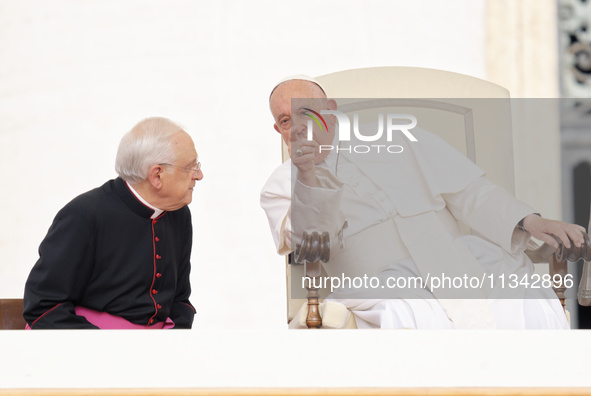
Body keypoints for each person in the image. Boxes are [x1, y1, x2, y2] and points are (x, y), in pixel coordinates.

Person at [260, 76, 586, 329]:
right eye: (286, 120)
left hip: (457, 262)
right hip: (379, 285)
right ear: (279, 130)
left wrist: (533, 222)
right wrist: (306, 176)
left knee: (523, 300)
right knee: (403, 317)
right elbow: (306, 240)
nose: (299, 124)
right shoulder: (279, 184)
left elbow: (471, 194)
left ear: (330, 107)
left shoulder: (400, 139)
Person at [24, 117, 203, 329]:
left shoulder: (179, 214)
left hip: (155, 350)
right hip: (88, 348)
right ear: (157, 175)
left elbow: (179, 299)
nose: (199, 175)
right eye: (191, 167)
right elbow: (43, 306)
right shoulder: (83, 215)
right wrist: (108, 348)